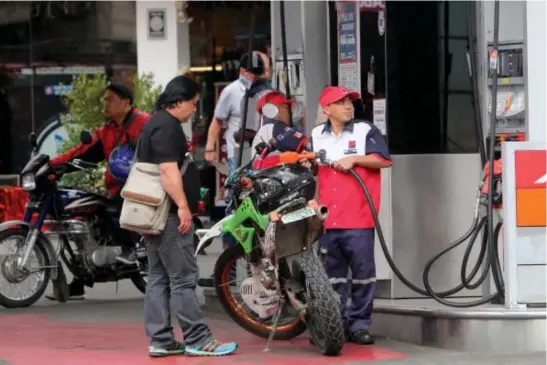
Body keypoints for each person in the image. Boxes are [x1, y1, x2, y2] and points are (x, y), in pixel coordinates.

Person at [139, 75, 237, 357]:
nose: (194, 110)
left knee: (158, 275)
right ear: (178, 101)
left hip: (154, 215)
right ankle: (198, 339)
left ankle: (161, 339)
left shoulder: (153, 123)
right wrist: (183, 206)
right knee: (183, 277)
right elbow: (168, 172)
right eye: (193, 104)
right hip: (169, 215)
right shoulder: (167, 127)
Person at [45, 83, 149, 301]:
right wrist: (52, 165)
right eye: (105, 99)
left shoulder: (145, 123)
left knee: (121, 200)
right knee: (90, 215)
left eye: (110, 99)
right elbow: (83, 152)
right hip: (118, 187)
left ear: (126, 103)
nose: (105, 103)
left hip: (144, 186)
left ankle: (129, 249)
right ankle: (82, 278)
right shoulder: (107, 131)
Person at [309, 86, 392, 345]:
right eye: (341, 102)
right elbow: (312, 170)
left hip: (359, 217)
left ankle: (359, 324)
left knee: (363, 274)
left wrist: (355, 158)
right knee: (331, 277)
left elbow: (384, 160)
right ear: (327, 109)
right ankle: (336, 325)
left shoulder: (365, 130)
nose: (348, 106)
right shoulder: (315, 135)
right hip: (327, 218)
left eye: (350, 102)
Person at [199, 50, 272, 288]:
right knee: (234, 212)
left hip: (264, 161)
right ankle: (227, 270)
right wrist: (210, 148)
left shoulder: (269, 91)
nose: (254, 75)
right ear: (242, 71)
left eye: (258, 71)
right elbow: (217, 122)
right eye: (252, 71)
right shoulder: (232, 92)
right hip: (238, 162)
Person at [251, 90, 309, 168]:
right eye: (287, 107)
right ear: (277, 109)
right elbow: (306, 143)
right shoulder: (276, 126)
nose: (290, 113)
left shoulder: (262, 131)